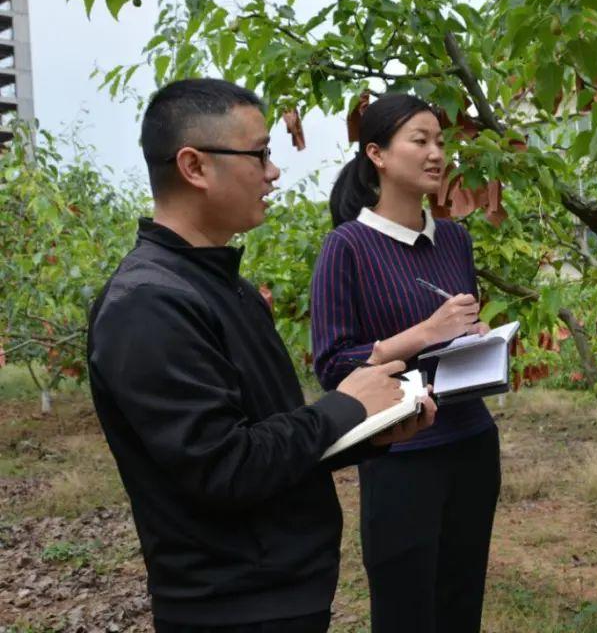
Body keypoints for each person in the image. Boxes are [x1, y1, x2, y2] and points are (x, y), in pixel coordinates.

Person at [87, 78, 435, 633]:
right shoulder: (148, 306)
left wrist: (368, 432)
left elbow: (269, 436)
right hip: (232, 606)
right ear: (195, 166)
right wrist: (345, 406)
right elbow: (225, 467)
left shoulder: (225, 287)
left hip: (282, 588)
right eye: (260, 153)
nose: (273, 171)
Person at [310, 93, 500, 633]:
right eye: (420, 140)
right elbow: (333, 366)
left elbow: (453, 335)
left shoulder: (455, 240)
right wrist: (427, 332)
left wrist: (475, 337)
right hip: (401, 452)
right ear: (377, 154)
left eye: (440, 140)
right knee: (404, 612)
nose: (437, 152)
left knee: (461, 603)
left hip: (471, 443)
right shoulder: (346, 247)